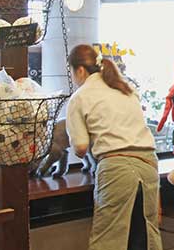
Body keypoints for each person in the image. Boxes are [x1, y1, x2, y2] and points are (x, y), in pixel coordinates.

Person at [66, 44, 163, 250]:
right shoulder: (125, 89)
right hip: (148, 165)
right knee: (144, 236)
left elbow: (80, 147)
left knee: (109, 240)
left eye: (72, 72)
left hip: (116, 168)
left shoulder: (80, 96)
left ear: (80, 70)